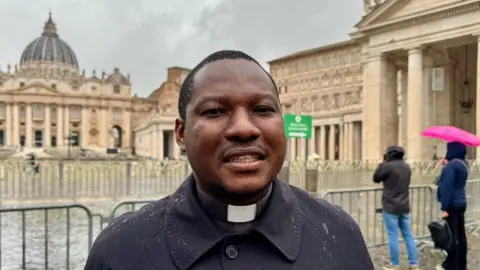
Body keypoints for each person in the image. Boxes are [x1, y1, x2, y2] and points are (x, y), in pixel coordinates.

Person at [84, 50, 374, 269]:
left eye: (262, 109)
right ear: (182, 133)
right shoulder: (120, 252)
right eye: (214, 111)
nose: (244, 128)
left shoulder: (339, 234)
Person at [373, 146, 419, 270]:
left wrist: (381, 164)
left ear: (389, 155)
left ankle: (395, 264)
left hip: (391, 206)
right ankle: (414, 263)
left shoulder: (388, 167)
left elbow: (376, 178)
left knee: (392, 235)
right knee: (408, 235)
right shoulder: (407, 167)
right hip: (405, 206)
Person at [436, 142, 468, 270]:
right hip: (461, 202)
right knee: (460, 236)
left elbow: (446, 187)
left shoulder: (451, 166)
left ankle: (451, 265)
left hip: (452, 204)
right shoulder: (463, 165)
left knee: (451, 237)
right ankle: (461, 264)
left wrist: (444, 207)